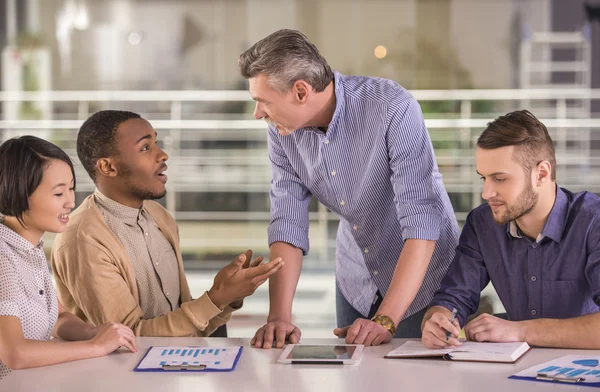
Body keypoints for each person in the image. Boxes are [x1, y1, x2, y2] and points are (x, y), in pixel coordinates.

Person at [238, 29, 459, 348]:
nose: (258, 113)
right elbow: (288, 220)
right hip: (356, 277)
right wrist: (279, 317)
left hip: (423, 282)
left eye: (262, 102)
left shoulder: (391, 108)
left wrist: (386, 319)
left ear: (301, 91)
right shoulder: (283, 132)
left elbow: (422, 220)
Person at [51, 110, 283, 337]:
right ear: (108, 167)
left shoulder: (159, 217)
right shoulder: (83, 240)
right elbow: (130, 338)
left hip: (174, 369)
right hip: (120, 375)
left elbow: (188, 328)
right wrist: (216, 298)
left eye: (156, 143)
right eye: (145, 148)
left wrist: (230, 296)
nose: (162, 155)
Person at [422, 110, 600, 349]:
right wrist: (436, 322)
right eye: (483, 178)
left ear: (542, 173)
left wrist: (519, 331)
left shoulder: (592, 222)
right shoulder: (482, 224)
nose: (486, 193)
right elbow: (453, 298)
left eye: (500, 179)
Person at [0, 136, 137, 380]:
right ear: (19, 192)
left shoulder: (30, 248)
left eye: (71, 189)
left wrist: (93, 332)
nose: (70, 202)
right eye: (58, 193)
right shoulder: (3, 256)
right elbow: (15, 354)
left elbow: (57, 317)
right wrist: (96, 347)